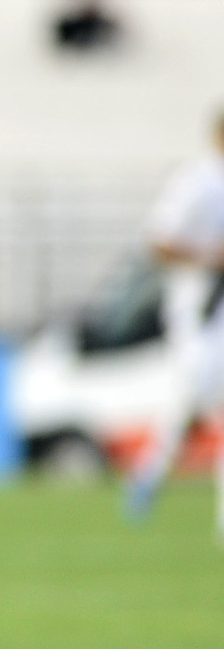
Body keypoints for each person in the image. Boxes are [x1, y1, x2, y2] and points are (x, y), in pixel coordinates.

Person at [125, 111, 224, 534]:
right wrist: (209, 259)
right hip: (199, 313)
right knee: (190, 402)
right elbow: (160, 244)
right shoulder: (198, 183)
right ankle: (149, 471)